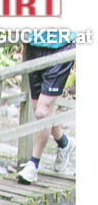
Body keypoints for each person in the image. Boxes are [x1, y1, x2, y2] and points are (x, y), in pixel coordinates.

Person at [17, 30, 76, 184]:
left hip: (60, 47)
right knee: (40, 110)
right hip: (34, 46)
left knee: (42, 113)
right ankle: (64, 143)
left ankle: (33, 165)